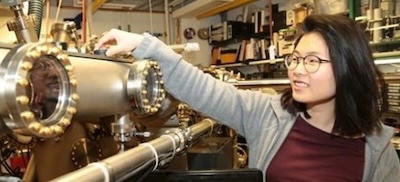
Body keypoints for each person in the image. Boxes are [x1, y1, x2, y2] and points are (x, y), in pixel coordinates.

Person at [95, 14, 400, 181]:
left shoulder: (378, 152)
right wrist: (144, 45)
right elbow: (204, 89)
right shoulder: (267, 114)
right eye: (294, 58)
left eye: (312, 61)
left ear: (348, 68)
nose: (296, 69)